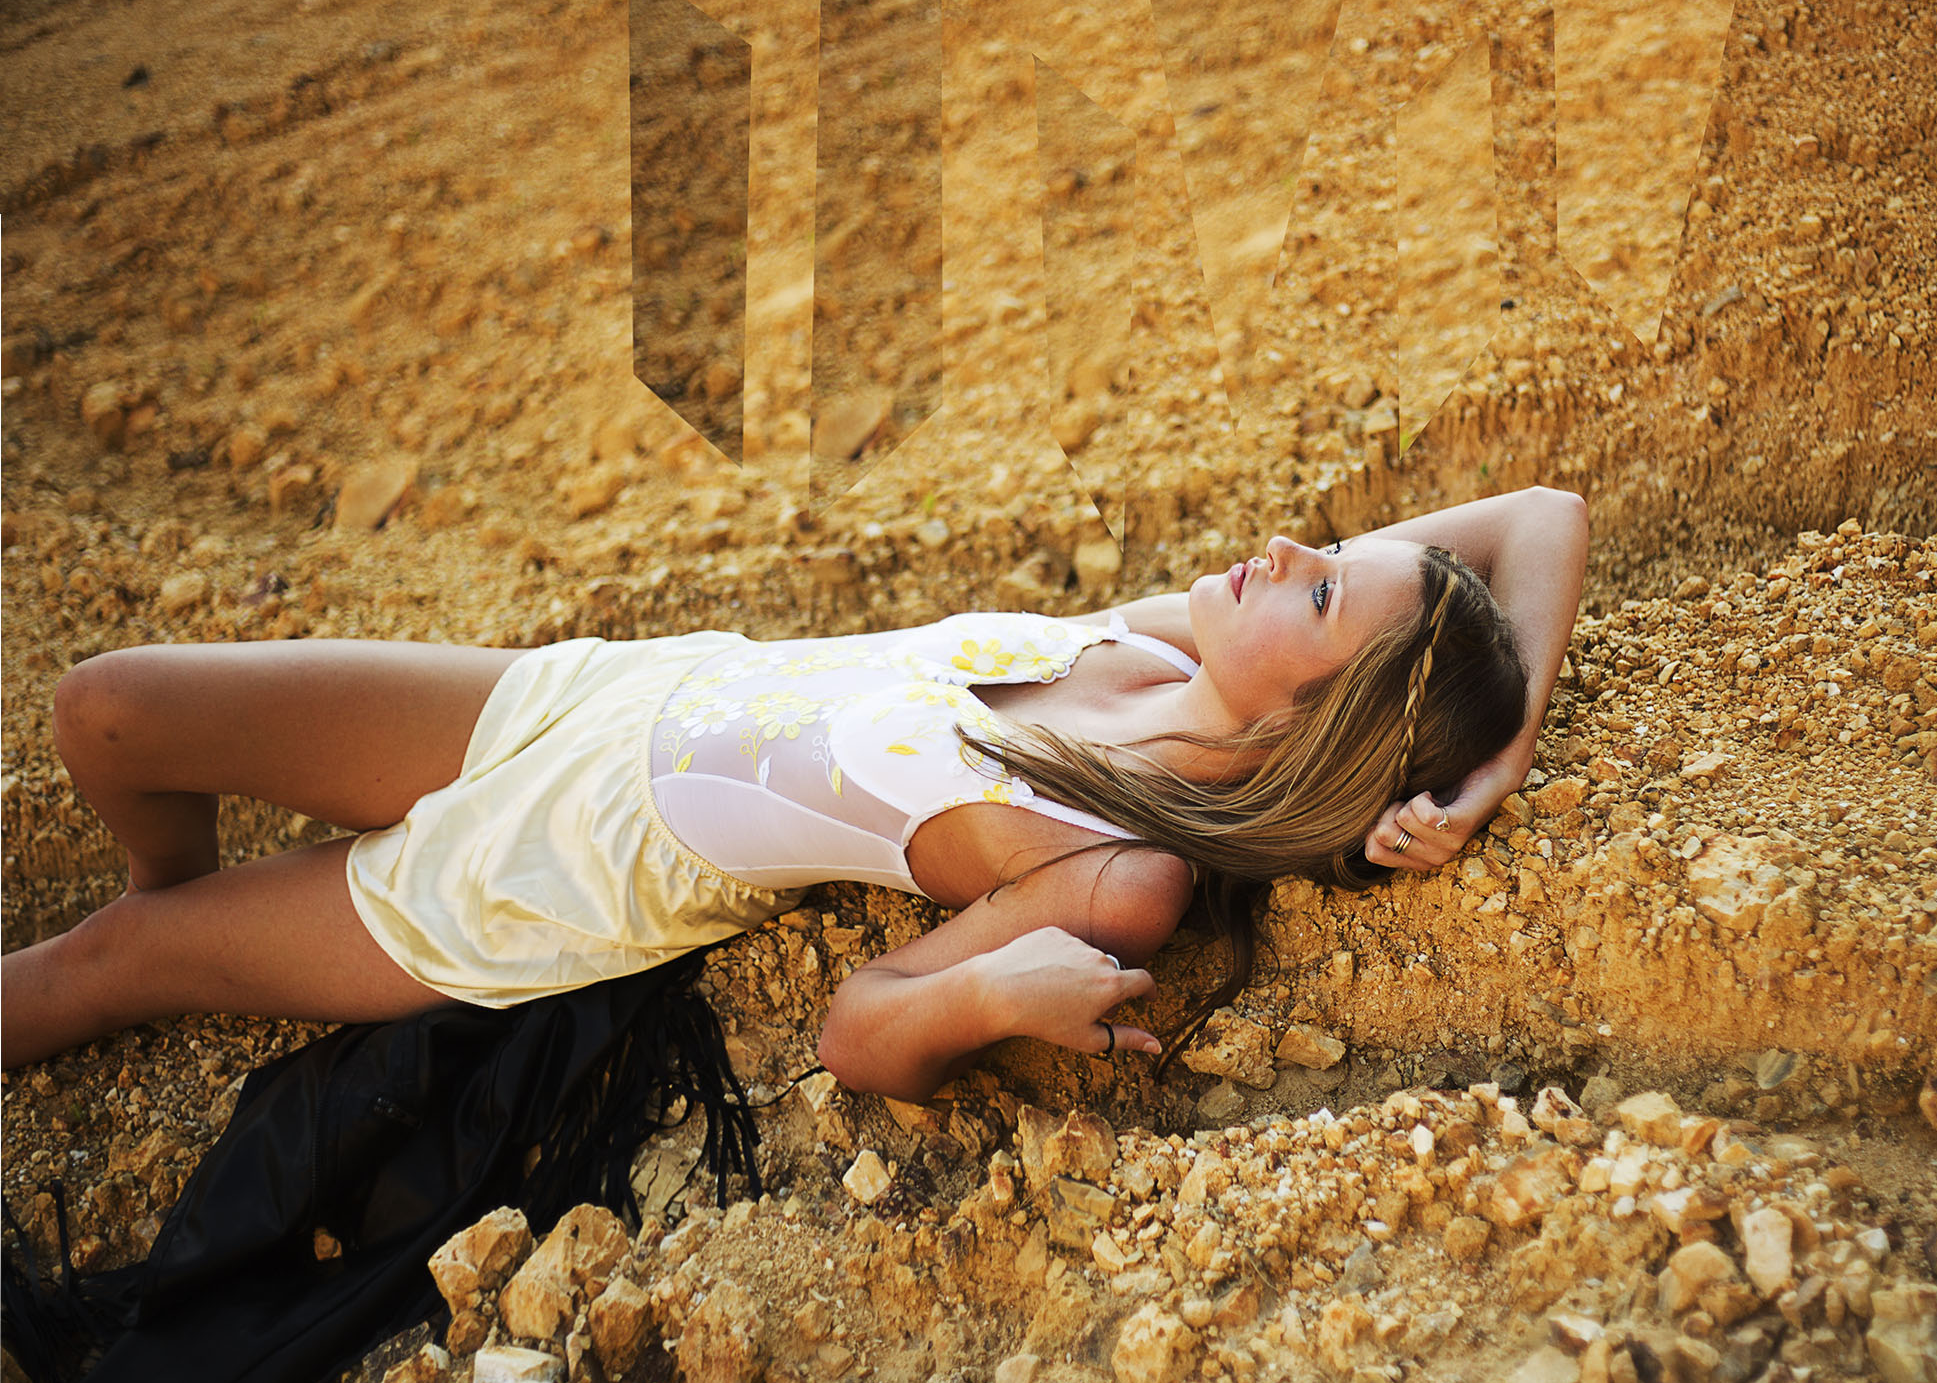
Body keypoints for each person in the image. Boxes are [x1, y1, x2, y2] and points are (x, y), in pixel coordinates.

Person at [0, 487, 1588, 1098]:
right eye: (1337, 551)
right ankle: (176, 889)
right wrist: (1486, 765)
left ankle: (173, 927)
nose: (1295, 545)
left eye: (1324, 592)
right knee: (108, 712)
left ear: (1322, 732)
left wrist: (991, 996)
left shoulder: (1121, 868)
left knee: (109, 967)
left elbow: (858, 1030)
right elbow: (1538, 514)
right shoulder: (1165, 643)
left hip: (559, 873)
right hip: (582, 697)